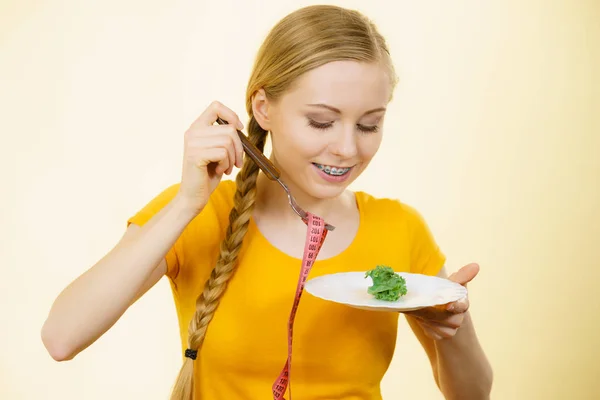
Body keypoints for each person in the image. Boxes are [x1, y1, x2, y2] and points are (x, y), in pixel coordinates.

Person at [41, 4, 493, 400]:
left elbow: (472, 395)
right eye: (321, 122)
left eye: (369, 125)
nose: (347, 149)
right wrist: (184, 205)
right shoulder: (203, 215)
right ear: (262, 108)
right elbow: (61, 337)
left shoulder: (399, 228)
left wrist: (452, 325)